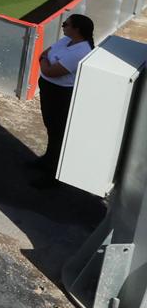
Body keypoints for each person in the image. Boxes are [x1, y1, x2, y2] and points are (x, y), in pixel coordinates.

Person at [33, 13, 95, 182]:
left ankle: (53, 174)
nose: (63, 27)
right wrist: (45, 60)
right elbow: (44, 54)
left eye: (66, 25)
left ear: (76, 30)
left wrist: (45, 62)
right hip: (50, 90)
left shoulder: (80, 50)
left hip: (60, 95)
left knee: (58, 132)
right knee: (51, 127)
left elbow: (50, 71)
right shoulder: (67, 41)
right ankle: (48, 160)